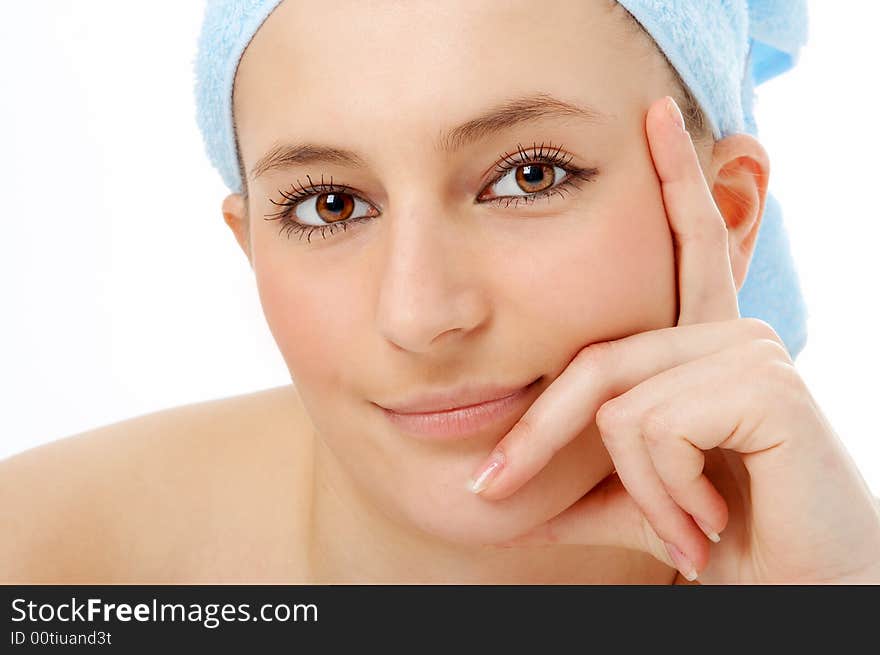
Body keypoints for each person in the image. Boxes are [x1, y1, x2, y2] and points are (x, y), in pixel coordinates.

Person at [2, 0, 879, 585]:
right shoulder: (43, 565)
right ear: (251, 243)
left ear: (725, 212)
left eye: (530, 176)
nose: (420, 314)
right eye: (330, 204)